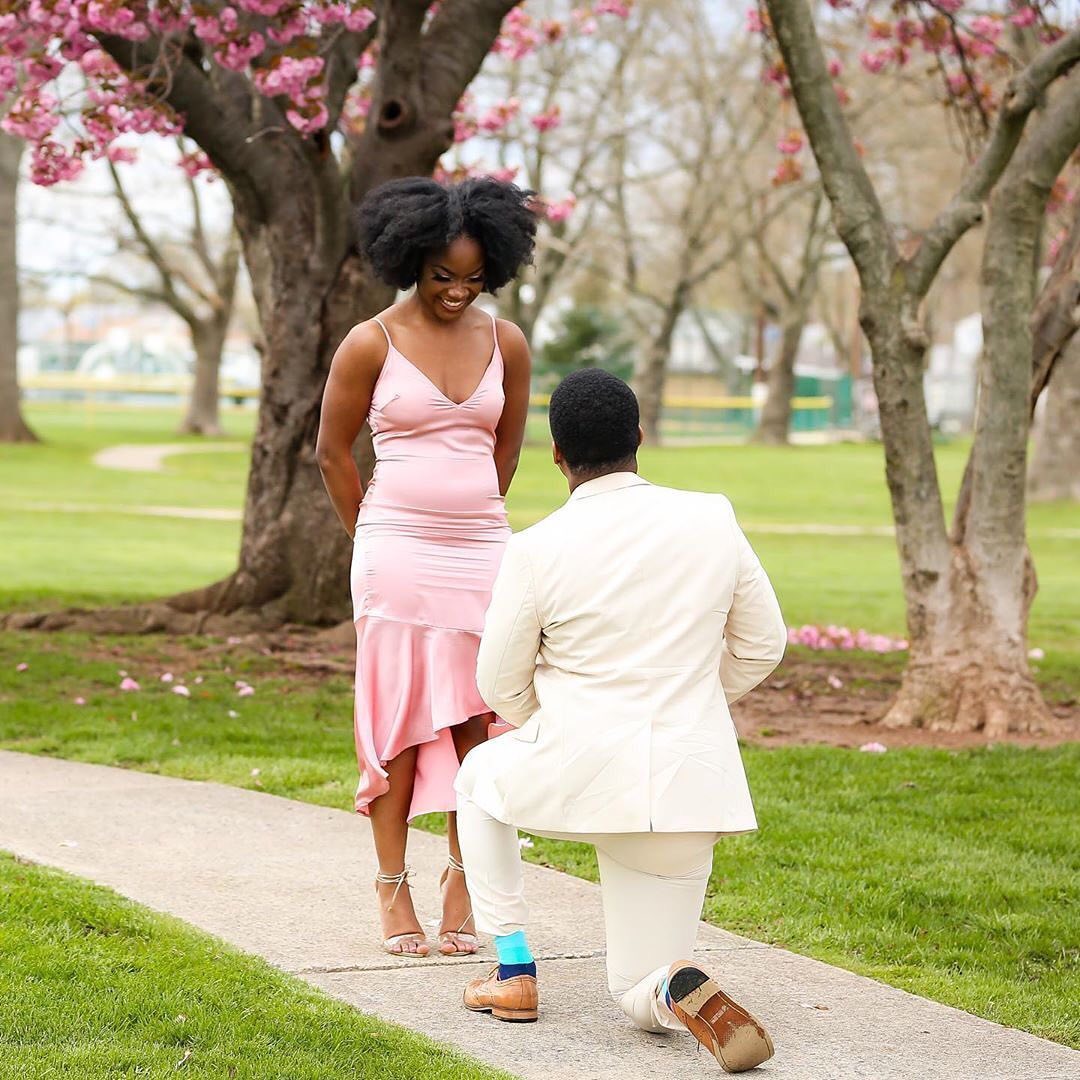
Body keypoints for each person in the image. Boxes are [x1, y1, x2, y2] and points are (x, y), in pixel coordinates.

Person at [454, 369, 786, 1071]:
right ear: (639, 437)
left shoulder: (537, 548)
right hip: (689, 787)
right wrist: (690, 696)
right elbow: (764, 645)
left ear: (555, 453)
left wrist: (544, 722)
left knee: (478, 775)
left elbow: (496, 683)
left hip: (574, 773)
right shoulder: (711, 517)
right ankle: (671, 983)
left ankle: (514, 970)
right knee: (637, 980)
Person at [316, 176, 536, 958]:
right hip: (395, 550)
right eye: (444, 275)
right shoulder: (370, 341)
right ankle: (391, 888)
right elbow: (332, 452)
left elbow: (505, 447)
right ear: (412, 261)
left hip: (482, 549)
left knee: (484, 720)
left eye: (474, 278)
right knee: (404, 723)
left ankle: (463, 877)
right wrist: (370, 530)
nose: (458, 291)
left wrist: (472, 511)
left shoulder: (506, 341)